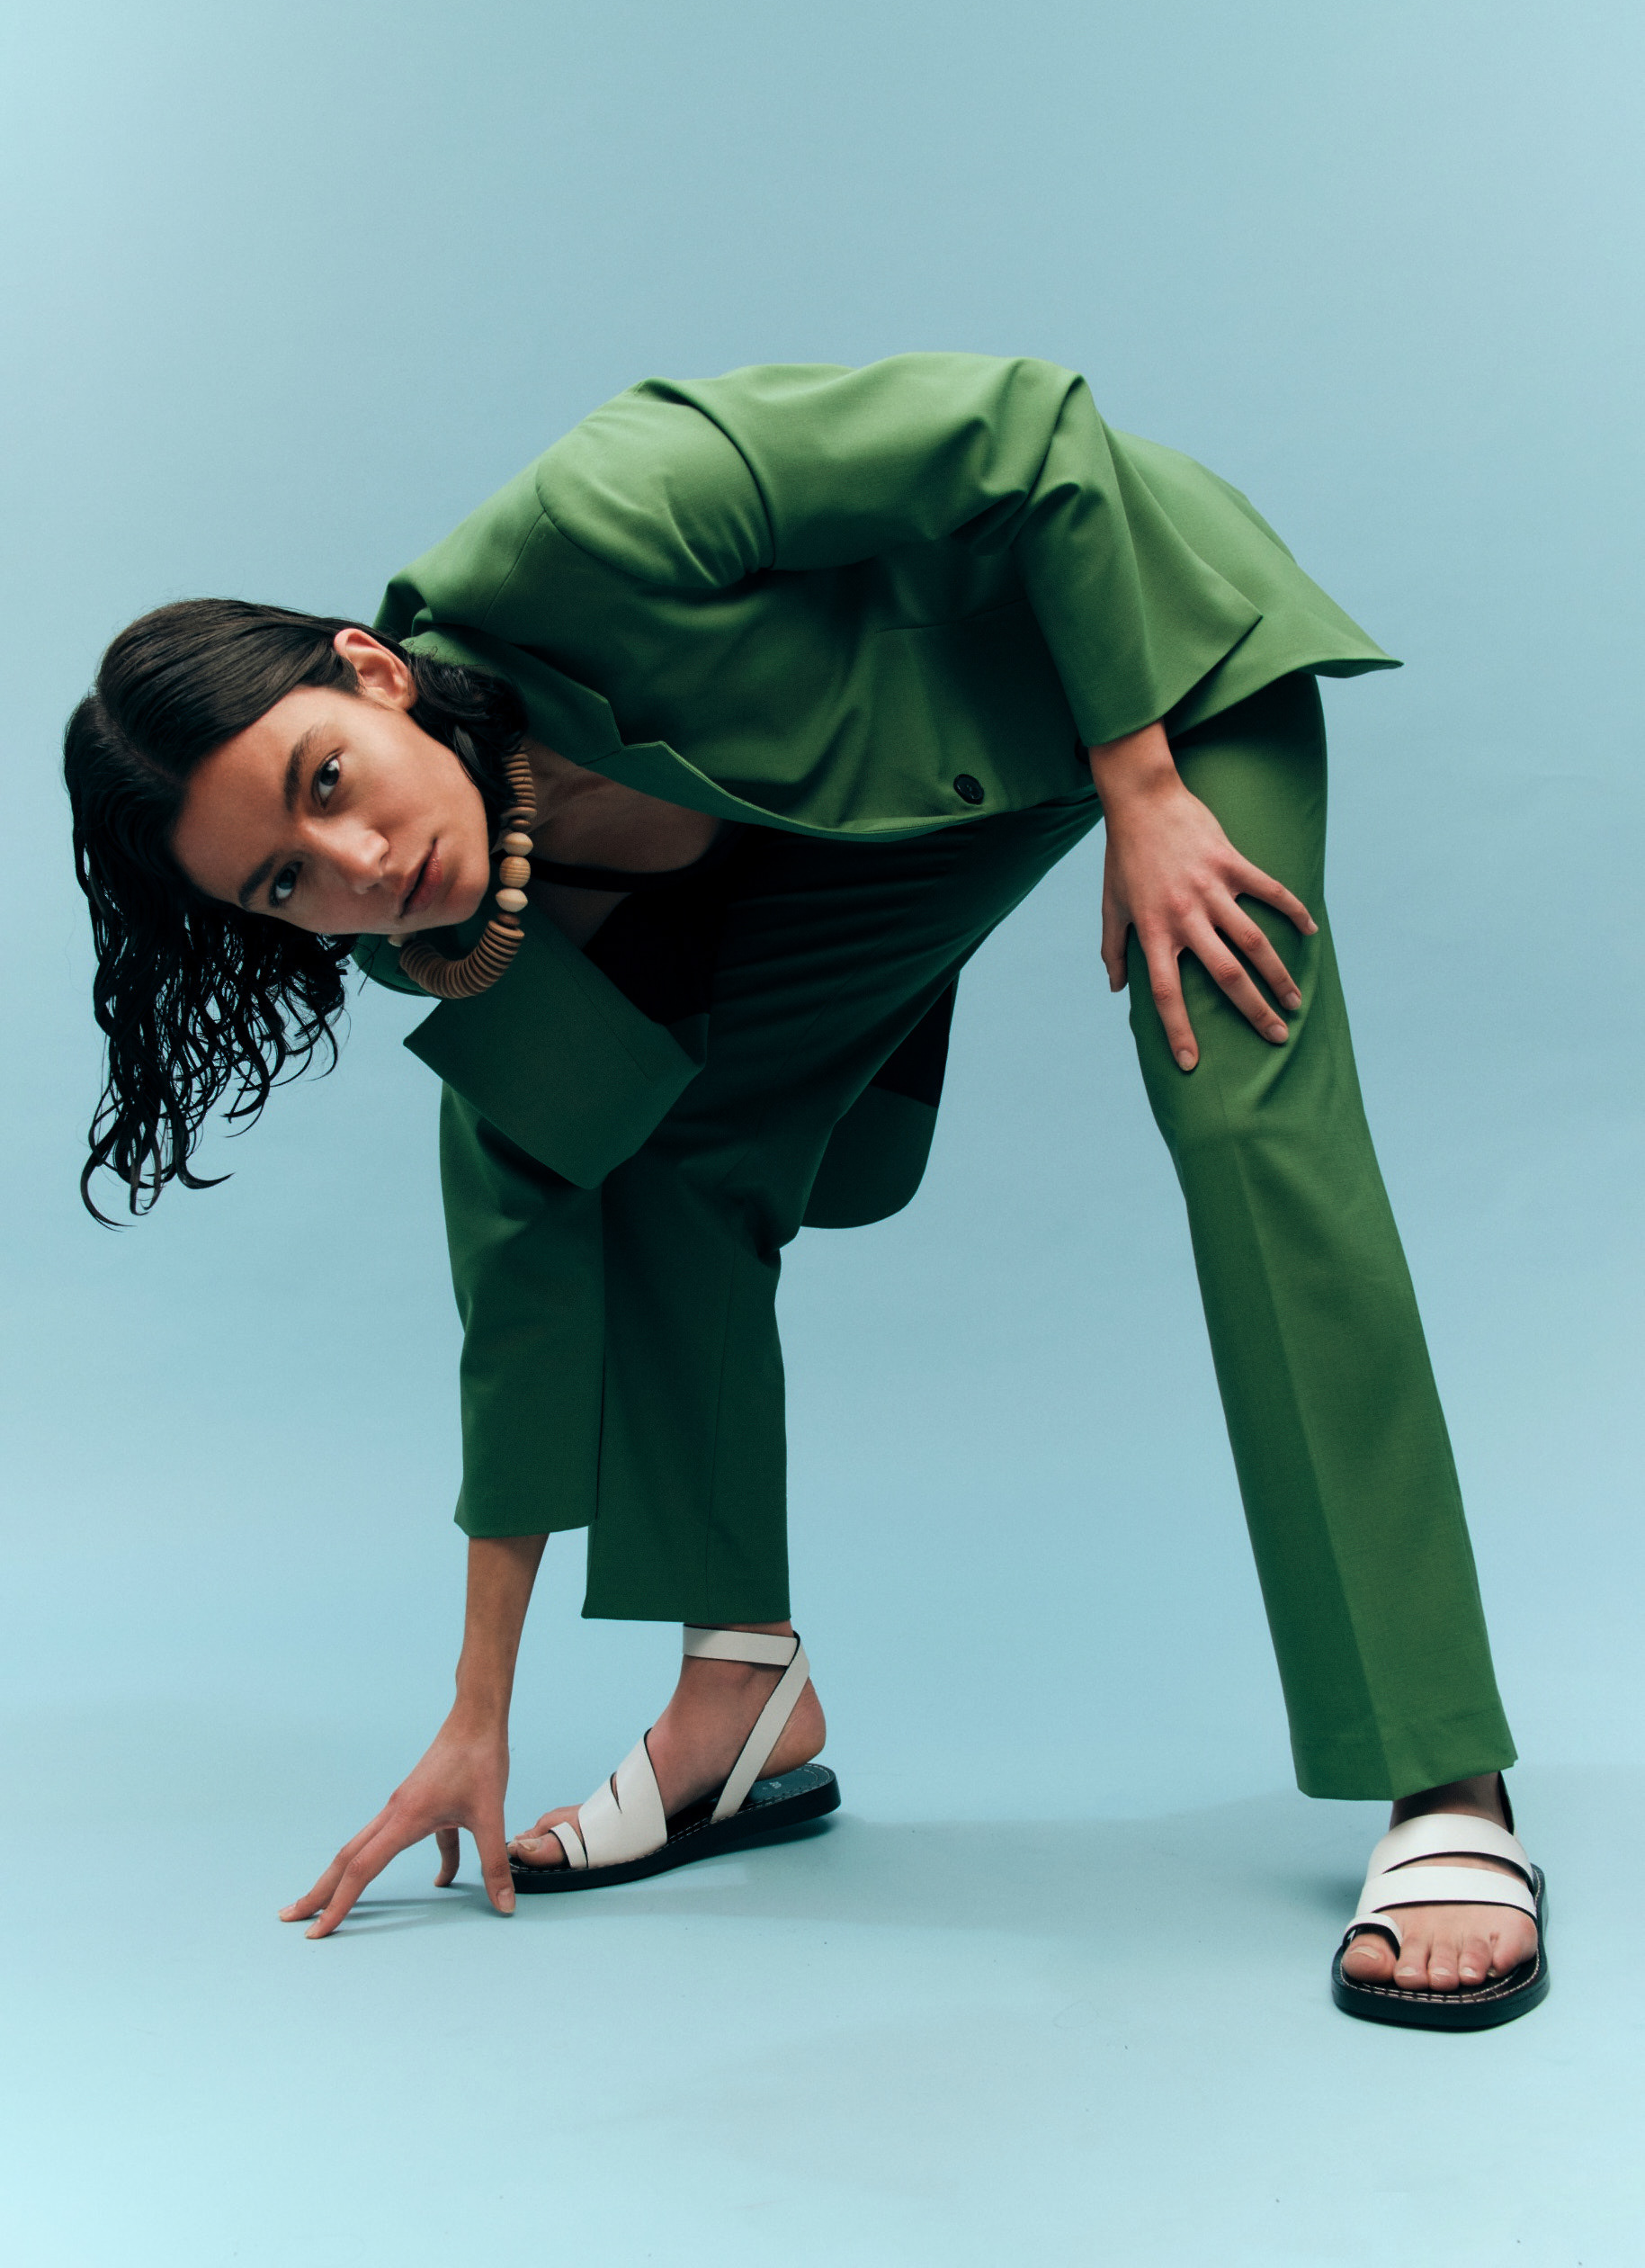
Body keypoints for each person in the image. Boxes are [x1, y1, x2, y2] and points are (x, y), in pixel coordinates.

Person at [64, 353, 1546, 2027]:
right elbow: (524, 1254)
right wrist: (478, 1711)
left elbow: (1028, 435)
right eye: (285, 884)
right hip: (915, 811)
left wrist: (1140, 791)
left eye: (325, 781)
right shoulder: (442, 937)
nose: (356, 867)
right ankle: (740, 1696)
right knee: (664, 1153)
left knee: (1240, 1107)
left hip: (1140, 659)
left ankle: (1440, 1770)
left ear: (371, 674)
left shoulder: (591, 522)